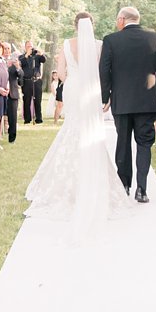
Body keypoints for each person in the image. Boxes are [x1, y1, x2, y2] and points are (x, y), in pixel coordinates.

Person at [26, 12, 132, 227]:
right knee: (90, 132)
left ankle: (66, 184)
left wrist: (73, 80)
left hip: (74, 89)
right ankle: (93, 179)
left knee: (72, 128)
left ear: (74, 26)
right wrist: (105, 94)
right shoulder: (100, 45)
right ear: (91, 25)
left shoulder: (66, 44)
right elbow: (104, 72)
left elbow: (62, 73)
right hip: (92, 91)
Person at [99, 6, 156, 203]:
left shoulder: (111, 40)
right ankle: (142, 189)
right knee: (144, 144)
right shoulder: (155, 38)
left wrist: (105, 97)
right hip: (147, 100)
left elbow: (104, 71)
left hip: (122, 101)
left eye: (117, 19)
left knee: (122, 143)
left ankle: (124, 185)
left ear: (122, 19)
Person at [20, 40, 46, 124]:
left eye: (31, 46)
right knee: (26, 100)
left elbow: (44, 60)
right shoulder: (22, 56)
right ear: (25, 47)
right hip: (27, 81)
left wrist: (41, 53)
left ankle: (38, 118)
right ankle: (27, 119)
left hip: (37, 80)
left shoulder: (37, 56)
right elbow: (21, 63)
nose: (30, 48)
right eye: (28, 46)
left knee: (37, 100)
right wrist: (27, 55)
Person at [5, 46, 22, 143]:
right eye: (5, 48)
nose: (7, 50)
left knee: (12, 117)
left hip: (12, 92)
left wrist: (17, 68)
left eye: (8, 48)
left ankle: (12, 138)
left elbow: (21, 77)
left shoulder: (15, 62)